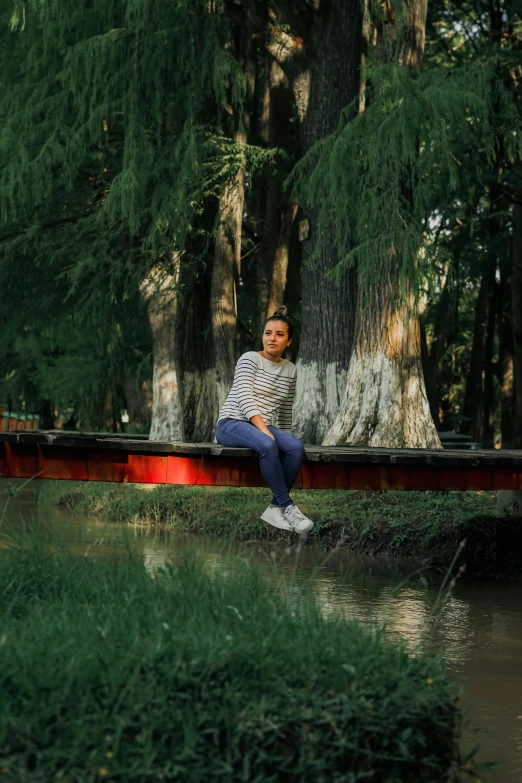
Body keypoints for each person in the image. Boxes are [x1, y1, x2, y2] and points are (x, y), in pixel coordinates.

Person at [215, 306, 314, 535]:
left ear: (288, 341)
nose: (272, 338)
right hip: (232, 423)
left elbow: (286, 408)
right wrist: (264, 430)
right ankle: (287, 507)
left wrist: (284, 436)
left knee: (295, 448)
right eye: (268, 333)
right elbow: (243, 396)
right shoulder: (250, 359)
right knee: (268, 444)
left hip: (260, 426)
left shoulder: (290, 369)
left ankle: (273, 507)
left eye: (279, 334)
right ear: (262, 336)